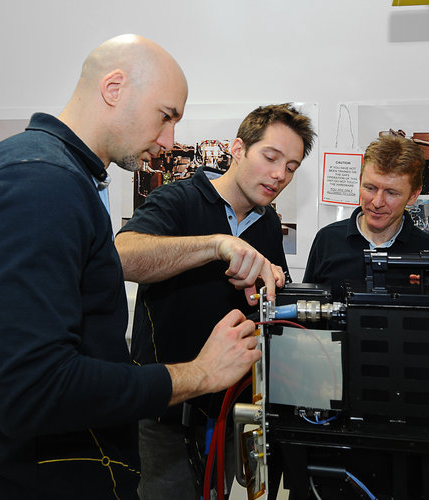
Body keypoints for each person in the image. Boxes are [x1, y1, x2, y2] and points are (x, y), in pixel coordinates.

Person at [0, 34, 261, 500]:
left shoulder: (60, 174)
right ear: (114, 89)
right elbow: (34, 389)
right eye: (166, 115)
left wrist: (214, 247)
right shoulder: (39, 184)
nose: (169, 140)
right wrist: (200, 374)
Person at [114, 103, 316, 499]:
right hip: (165, 408)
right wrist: (217, 246)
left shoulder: (269, 222)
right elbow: (121, 256)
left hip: (226, 408)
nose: (279, 175)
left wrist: (274, 283)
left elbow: (265, 309)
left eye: (291, 167)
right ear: (238, 149)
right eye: (271, 157)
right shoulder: (178, 200)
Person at [303, 134, 429, 297]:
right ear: (359, 181)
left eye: (391, 192)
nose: (377, 202)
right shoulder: (327, 240)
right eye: (370, 188)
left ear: (413, 195)